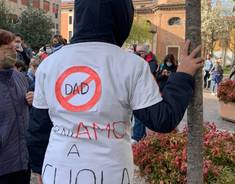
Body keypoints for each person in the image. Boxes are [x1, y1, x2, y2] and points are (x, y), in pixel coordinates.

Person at [28, 1, 203, 183]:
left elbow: (38, 126)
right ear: (123, 16)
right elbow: (162, 119)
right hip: (111, 174)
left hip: (57, 172)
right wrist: (182, 75)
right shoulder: (131, 64)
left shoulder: (49, 64)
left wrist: (39, 167)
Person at [0, 29, 31, 184]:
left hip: (23, 163)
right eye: (7, 50)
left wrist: (33, 102)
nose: (13, 53)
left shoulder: (22, 79)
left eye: (14, 49)